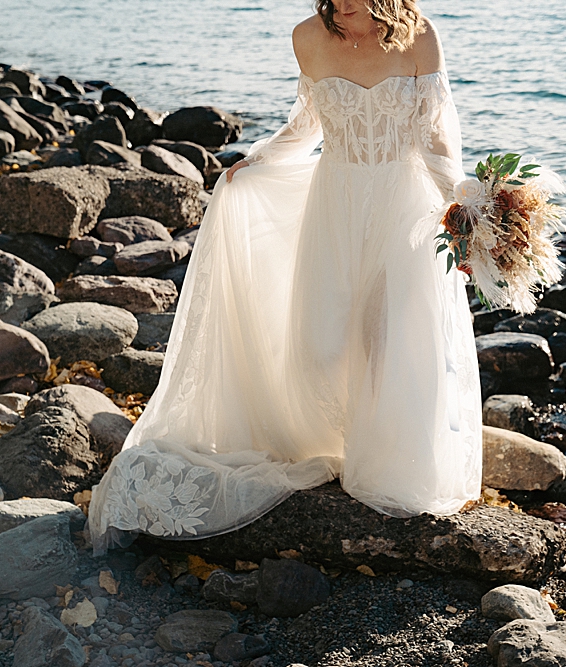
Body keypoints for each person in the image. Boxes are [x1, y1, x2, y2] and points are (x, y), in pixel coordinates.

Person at [87, 0, 483, 554]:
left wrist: (463, 210)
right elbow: (306, 125)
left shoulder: (419, 37)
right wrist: (258, 161)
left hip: (404, 210)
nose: (342, 3)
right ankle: (324, 441)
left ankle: (387, 469)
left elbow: (438, 141)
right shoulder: (307, 36)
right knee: (321, 343)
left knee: (392, 342)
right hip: (337, 203)